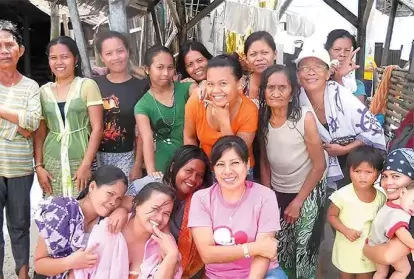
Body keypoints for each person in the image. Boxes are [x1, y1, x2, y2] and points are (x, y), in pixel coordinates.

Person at [258, 64, 327, 279]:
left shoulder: (303, 119)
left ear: (292, 93)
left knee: (305, 249)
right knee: (281, 250)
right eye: (270, 88)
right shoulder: (262, 118)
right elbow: (264, 160)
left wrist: (298, 202)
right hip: (278, 189)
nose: (276, 93)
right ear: (264, 91)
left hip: (308, 190)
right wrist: (268, 195)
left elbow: (319, 166)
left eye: (282, 88)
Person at [188, 136, 287, 279]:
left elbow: (264, 254)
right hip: (218, 276)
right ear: (213, 169)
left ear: (247, 165)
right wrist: (254, 248)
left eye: (235, 163)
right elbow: (207, 255)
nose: (227, 171)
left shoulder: (265, 196)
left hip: (263, 273)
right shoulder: (202, 199)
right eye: (220, 164)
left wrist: (259, 251)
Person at [112, 145, 212, 279]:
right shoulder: (151, 184)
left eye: (199, 175)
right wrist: (120, 211)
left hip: (181, 266)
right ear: (173, 167)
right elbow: (122, 201)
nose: (193, 179)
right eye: (188, 170)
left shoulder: (200, 199)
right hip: (140, 259)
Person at [296, 46, 386, 189]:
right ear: (298, 75)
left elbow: (373, 129)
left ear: (328, 73)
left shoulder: (340, 95)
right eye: (305, 68)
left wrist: (345, 149)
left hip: (356, 162)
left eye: (318, 67)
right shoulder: (296, 100)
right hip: (318, 165)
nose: (311, 72)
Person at [34, 36, 103, 197]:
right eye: (53, 58)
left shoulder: (87, 86)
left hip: (80, 157)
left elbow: (97, 128)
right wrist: (39, 166)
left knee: (82, 206)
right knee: (55, 211)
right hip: (52, 160)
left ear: (75, 59)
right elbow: (40, 133)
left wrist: (86, 165)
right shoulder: (43, 91)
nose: (59, 62)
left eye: (65, 57)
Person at [33, 165, 128, 279]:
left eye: (119, 199)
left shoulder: (104, 221)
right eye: (110, 194)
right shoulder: (62, 210)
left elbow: (139, 203)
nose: (113, 202)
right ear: (92, 187)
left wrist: (122, 210)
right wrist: (71, 262)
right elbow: (39, 265)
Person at [0, 19, 41, 279]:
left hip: (20, 170)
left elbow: (33, 123)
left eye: (9, 44)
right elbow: (25, 125)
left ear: (20, 50)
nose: (4, 50)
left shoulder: (31, 86)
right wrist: (19, 124)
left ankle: (23, 275)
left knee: (20, 226)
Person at [75, 182, 182, 279]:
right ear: (137, 205)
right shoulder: (108, 230)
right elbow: (78, 273)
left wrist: (171, 257)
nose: (159, 218)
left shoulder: (167, 247)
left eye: (166, 214)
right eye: (155, 209)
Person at [184, 54, 258, 179]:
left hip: (238, 171)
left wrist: (224, 121)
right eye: (211, 84)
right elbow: (189, 137)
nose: (215, 90)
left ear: (239, 84)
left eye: (223, 83)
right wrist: (196, 170)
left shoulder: (249, 110)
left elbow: (236, 156)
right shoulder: (197, 102)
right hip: (206, 168)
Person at [94, 31, 148, 181]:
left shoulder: (141, 87)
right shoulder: (94, 84)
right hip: (95, 157)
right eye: (109, 53)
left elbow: (142, 131)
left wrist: (137, 164)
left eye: (120, 51)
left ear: (128, 52)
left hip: (127, 156)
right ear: (102, 57)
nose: (116, 57)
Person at [135, 45, 198, 175]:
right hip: (163, 165)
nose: (166, 73)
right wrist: (152, 172)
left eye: (170, 68)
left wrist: (202, 86)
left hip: (191, 161)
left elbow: (197, 91)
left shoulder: (187, 88)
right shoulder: (142, 105)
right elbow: (147, 138)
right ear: (147, 69)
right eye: (160, 67)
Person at [327, 146, 386, 279]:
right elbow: (331, 216)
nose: (362, 176)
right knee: (346, 275)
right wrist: (346, 230)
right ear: (349, 171)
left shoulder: (381, 197)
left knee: (365, 276)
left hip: (369, 249)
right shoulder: (342, 195)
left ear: (378, 173)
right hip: (347, 247)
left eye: (368, 172)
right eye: (357, 171)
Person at [363, 148, 414, 277]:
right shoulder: (394, 205)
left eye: (396, 176)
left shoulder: (408, 213)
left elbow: (387, 256)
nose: (387, 183)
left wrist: (367, 249)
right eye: (384, 176)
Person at [368, 181, 414, 279]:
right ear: (403, 193)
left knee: (381, 273)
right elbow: (401, 232)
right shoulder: (400, 214)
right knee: (403, 270)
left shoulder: (389, 204)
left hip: (373, 243)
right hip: (385, 246)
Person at [325, 29, 366, 103]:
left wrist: (338, 78)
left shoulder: (357, 86)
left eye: (347, 50)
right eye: (337, 49)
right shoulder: (317, 79)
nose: (342, 54)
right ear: (327, 51)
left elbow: (357, 112)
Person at [242, 31, 277, 107]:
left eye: (264, 53)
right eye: (253, 54)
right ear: (245, 58)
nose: (259, 58)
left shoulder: (285, 83)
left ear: (275, 54)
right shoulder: (239, 85)